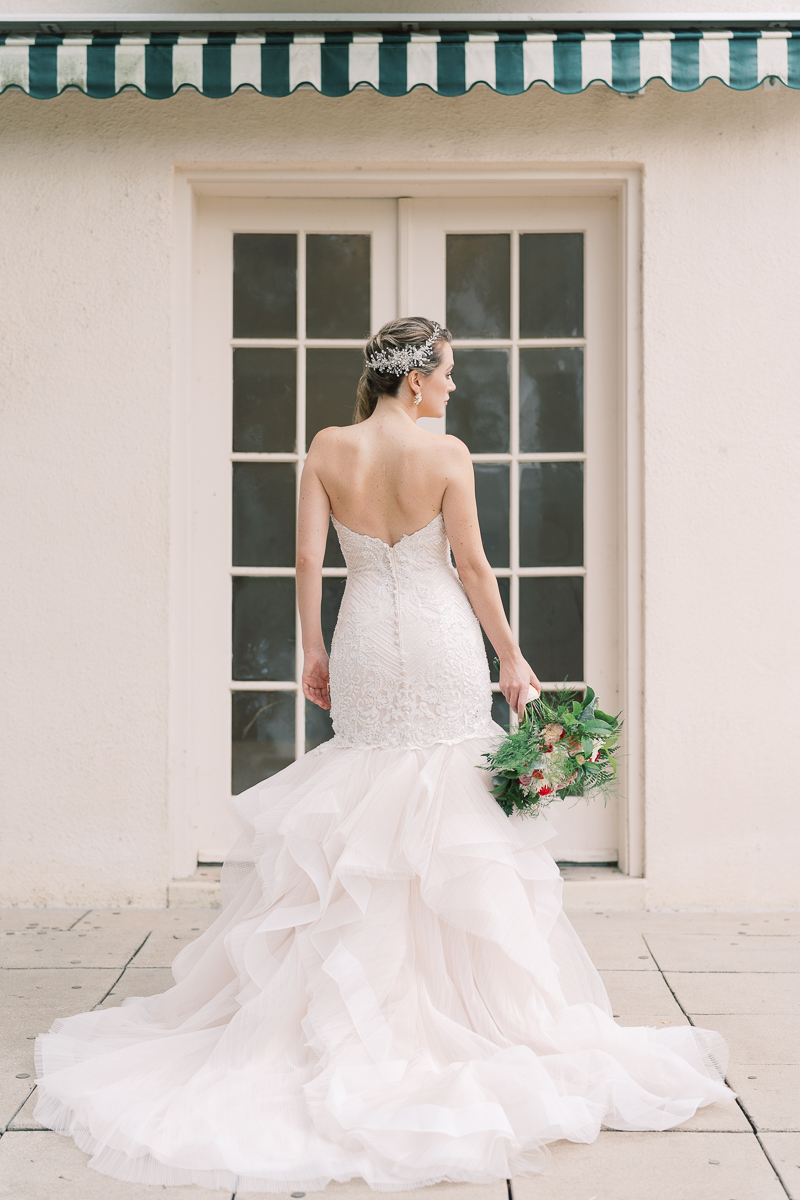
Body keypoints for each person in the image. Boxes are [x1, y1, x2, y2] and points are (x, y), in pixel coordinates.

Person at [34, 317, 733, 1191]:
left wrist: (312, 649)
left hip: (362, 635)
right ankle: (454, 1009)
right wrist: (511, 656)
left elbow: (303, 557)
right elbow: (473, 569)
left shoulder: (328, 447)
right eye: (446, 374)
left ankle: (354, 1004)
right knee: (444, 796)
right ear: (413, 382)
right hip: (438, 640)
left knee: (366, 790)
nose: (453, 389)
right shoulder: (447, 456)